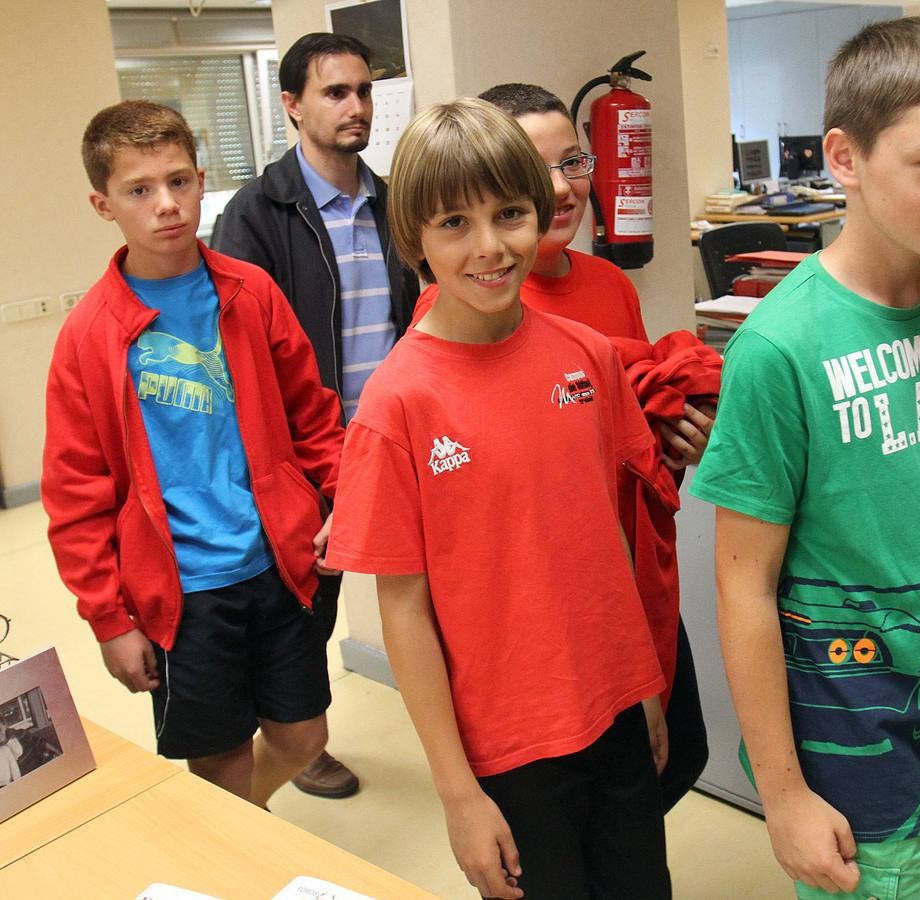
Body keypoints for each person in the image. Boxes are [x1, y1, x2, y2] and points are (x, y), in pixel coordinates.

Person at [690, 17, 920, 899]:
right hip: (851, 754)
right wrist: (783, 792)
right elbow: (744, 587)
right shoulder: (778, 349)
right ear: (844, 158)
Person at [324, 98, 671, 900]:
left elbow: (609, 540)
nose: (490, 247)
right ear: (415, 238)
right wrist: (456, 793)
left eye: (509, 214)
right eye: (454, 223)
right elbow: (403, 611)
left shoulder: (588, 356)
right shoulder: (398, 404)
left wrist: (645, 686)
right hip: (507, 749)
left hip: (616, 710)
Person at [409, 80, 712, 812]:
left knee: (671, 757)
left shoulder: (608, 282)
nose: (561, 187)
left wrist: (674, 435)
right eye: (529, 171)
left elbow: (627, 425)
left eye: (572, 162)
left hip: (624, 569)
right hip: (541, 600)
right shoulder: (465, 306)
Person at [42, 101, 345, 809]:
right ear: (102, 204)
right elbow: (75, 492)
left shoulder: (251, 292)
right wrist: (109, 620)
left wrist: (343, 502)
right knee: (219, 763)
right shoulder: (89, 336)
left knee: (303, 739)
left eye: (179, 181)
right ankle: (241, 849)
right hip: (181, 590)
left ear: (202, 180)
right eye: (139, 190)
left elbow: (314, 417)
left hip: (278, 563)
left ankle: (245, 825)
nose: (166, 205)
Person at [214, 32, 420, 798]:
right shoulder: (258, 213)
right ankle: (301, 740)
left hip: (396, 442)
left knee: (425, 591)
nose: (356, 107)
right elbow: (241, 355)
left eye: (364, 91)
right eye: (336, 93)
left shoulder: (395, 202)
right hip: (312, 454)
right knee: (310, 605)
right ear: (292, 104)